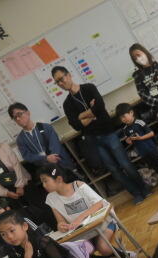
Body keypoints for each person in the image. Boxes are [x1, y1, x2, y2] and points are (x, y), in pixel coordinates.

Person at [51, 66, 151, 204]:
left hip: (108, 133)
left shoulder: (89, 88)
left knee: (125, 163)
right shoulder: (67, 104)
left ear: (68, 75)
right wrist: (91, 113)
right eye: (57, 82)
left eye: (62, 78)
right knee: (114, 170)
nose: (61, 83)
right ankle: (136, 193)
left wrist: (82, 116)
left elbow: (99, 107)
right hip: (93, 140)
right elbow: (76, 125)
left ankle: (144, 188)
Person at [40, 165, 136, 258]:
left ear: (59, 179)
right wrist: (61, 225)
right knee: (77, 254)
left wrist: (79, 219)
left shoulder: (78, 185)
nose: (43, 185)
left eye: (45, 181)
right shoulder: (51, 198)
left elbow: (99, 204)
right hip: (83, 232)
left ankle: (125, 255)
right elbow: (60, 220)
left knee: (103, 247)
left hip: (104, 223)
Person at [8, 102, 76, 172]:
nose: (18, 119)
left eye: (19, 114)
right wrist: (46, 158)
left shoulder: (46, 127)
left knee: (71, 176)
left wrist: (52, 158)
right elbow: (28, 156)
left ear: (28, 113)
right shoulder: (20, 139)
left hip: (61, 163)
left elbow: (55, 145)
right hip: (46, 169)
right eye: (15, 118)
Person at [115, 103, 158, 185]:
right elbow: (129, 140)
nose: (123, 119)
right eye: (121, 118)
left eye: (124, 116)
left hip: (152, 149)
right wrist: (128, 141)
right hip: (143, 153)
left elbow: (151, 133)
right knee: (156, 168)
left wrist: (141, 138)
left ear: (131, 113)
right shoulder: (125, 129)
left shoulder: (139, 122)